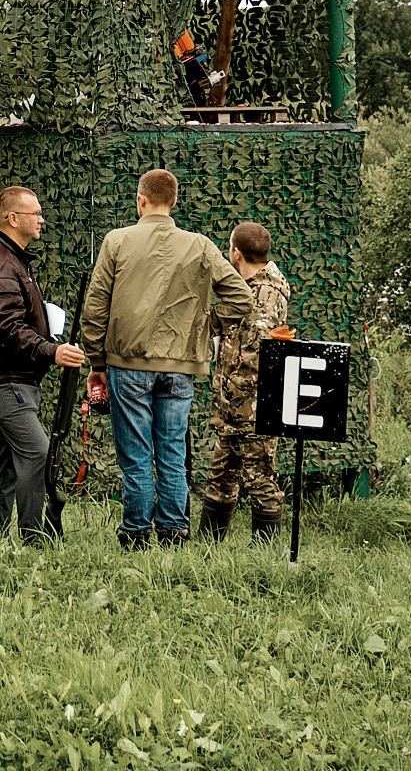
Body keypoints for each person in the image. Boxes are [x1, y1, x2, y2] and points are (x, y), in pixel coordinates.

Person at [82, 169, 255, 549]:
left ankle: (136, 533)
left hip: (127, 365)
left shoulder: (116, 241)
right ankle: (175, 532)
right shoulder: (201, 246)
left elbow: (94, 311)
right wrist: (205, 325)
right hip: (180, 368)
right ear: (174, 202)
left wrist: (96, 365)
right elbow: (243, 299)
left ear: (140, 200)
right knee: (172, 453)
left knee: (136, 457)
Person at [0, 185, 84, 542]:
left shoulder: (12, 259)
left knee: (4, 461)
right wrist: (53, 352)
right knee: (37, 453)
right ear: (13, 219)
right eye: (36, 213)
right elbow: (8, 329)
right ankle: (36, 537)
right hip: (3, 379)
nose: (42, 219)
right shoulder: (2, 264)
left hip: (8, 376)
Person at [199, 222, 294, 543]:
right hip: (233, 408)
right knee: (221, 477)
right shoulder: (249, 287)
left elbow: (255, 354)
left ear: (235, 252)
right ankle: (207, 549)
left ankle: (264, 556)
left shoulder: (266, 295)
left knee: (260, 479)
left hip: (254, 410)